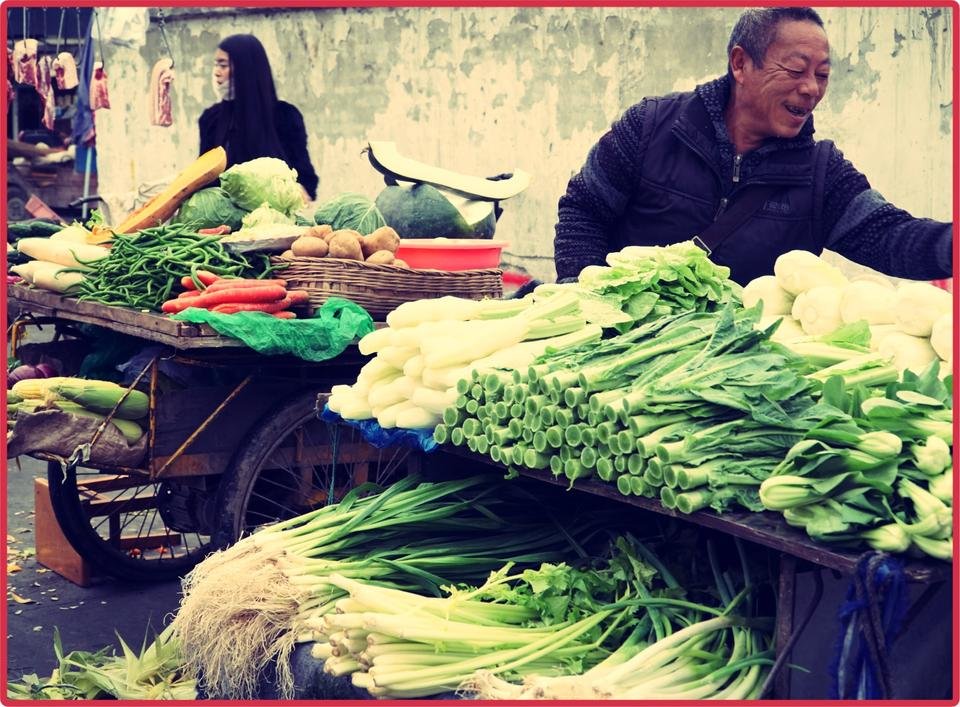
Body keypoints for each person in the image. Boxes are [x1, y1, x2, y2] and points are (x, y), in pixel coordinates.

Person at [554, 7, 953, 286]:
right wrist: (583, 300)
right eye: (796, 70)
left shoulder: (821, 173)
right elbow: (583, 210)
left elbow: (893, 238)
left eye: (823, 74)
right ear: (741, 64)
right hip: (626, 360)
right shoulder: (652, 126)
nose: (811, 88)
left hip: (742, 379)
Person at [199, 34, 319, 201]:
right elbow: (203, 177)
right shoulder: (211, 120)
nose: (216, 73)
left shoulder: (285, 117)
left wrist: (298, 191)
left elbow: (306, 178)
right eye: (215, 65)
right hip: (225, 220)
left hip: (276, 219)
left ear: (245, 70)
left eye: (223, 65)